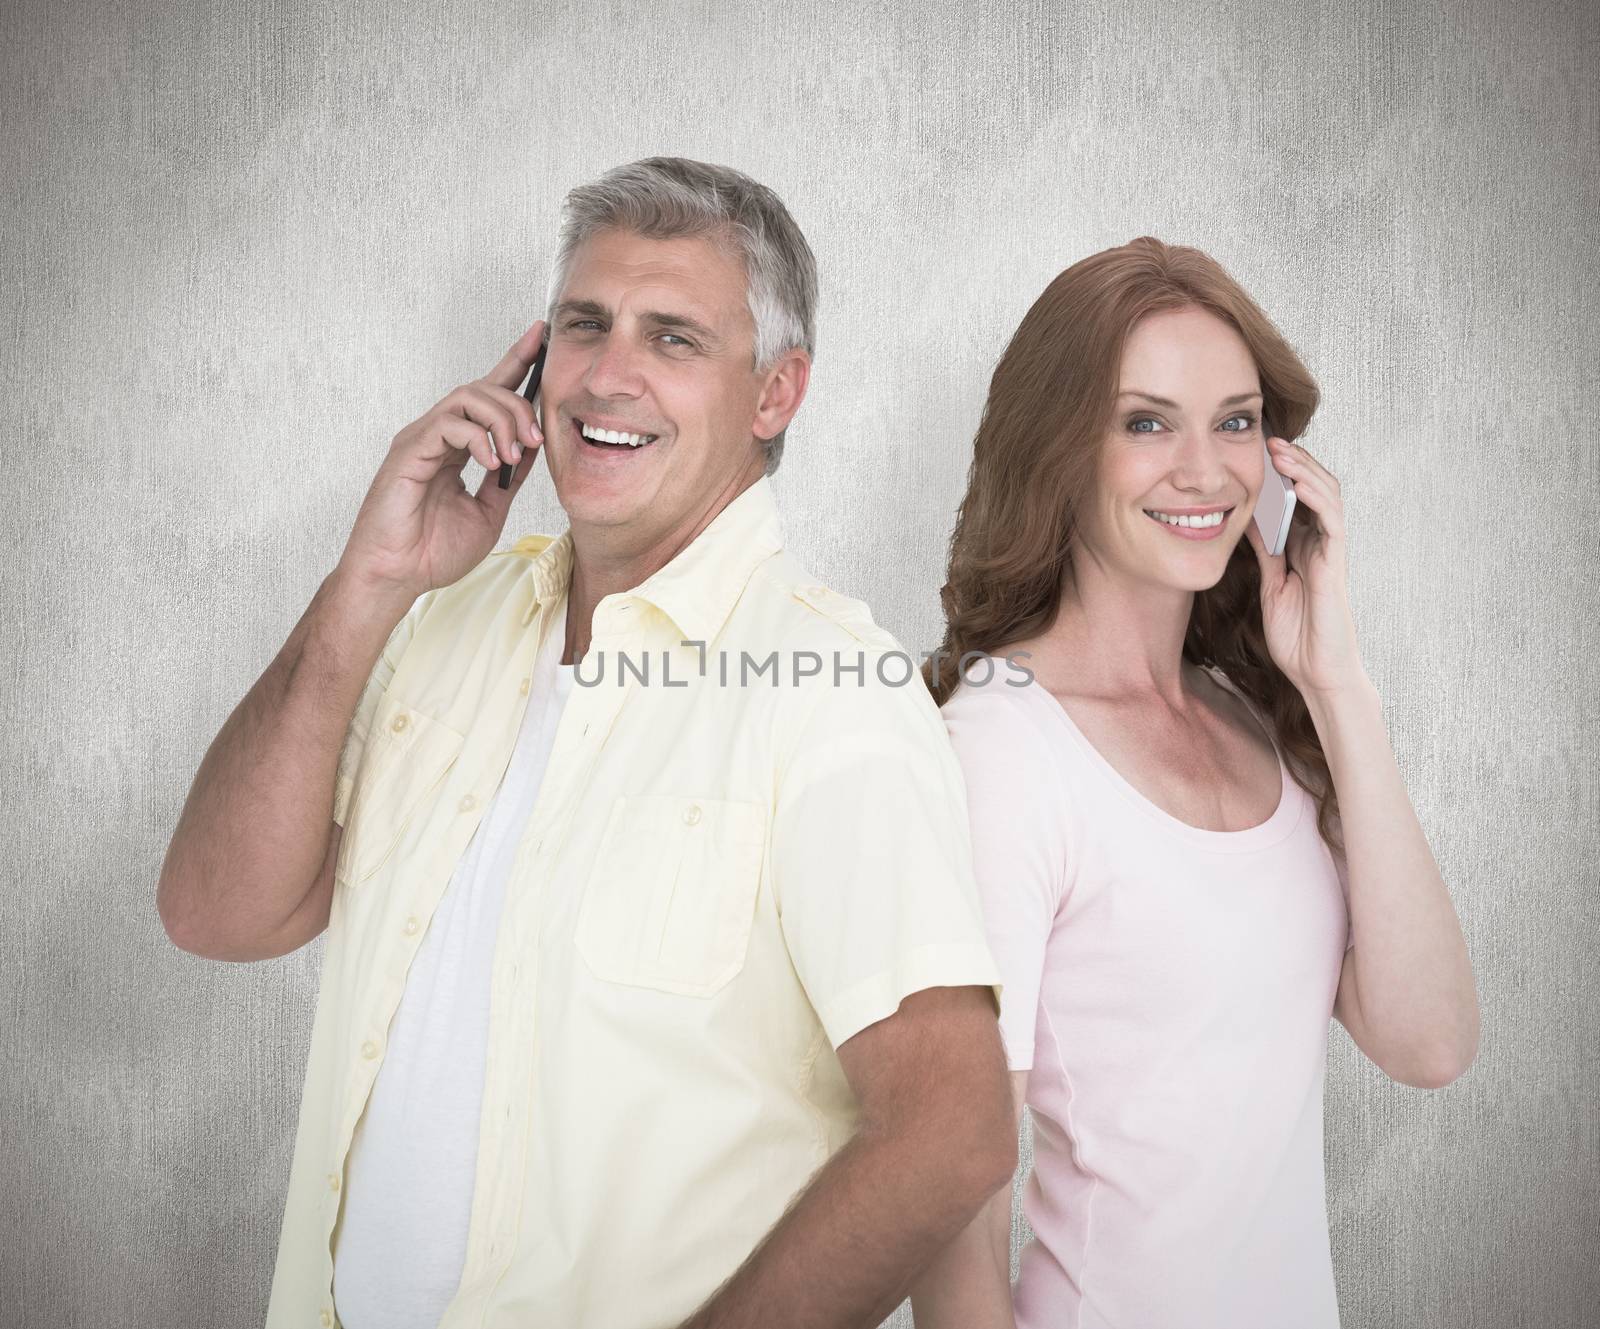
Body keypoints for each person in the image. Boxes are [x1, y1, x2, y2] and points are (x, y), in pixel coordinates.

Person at [157, 156, 1015, 1329]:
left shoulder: (834, 692)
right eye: (584, 325)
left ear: (774, 395)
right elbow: (218, 913)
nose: (607, 377)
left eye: (672, 338)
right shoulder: (440, 625)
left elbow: (951, 1132)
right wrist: (367, 585)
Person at [909, 238, 1479, 1329]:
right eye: (1144, 422)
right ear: (1056, 452)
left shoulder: (1248, 713)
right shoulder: (1001, 753)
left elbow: (1429, 1043)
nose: (1206, 470)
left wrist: (1337, 686)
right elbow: (956, 1194)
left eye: (1234, 420)